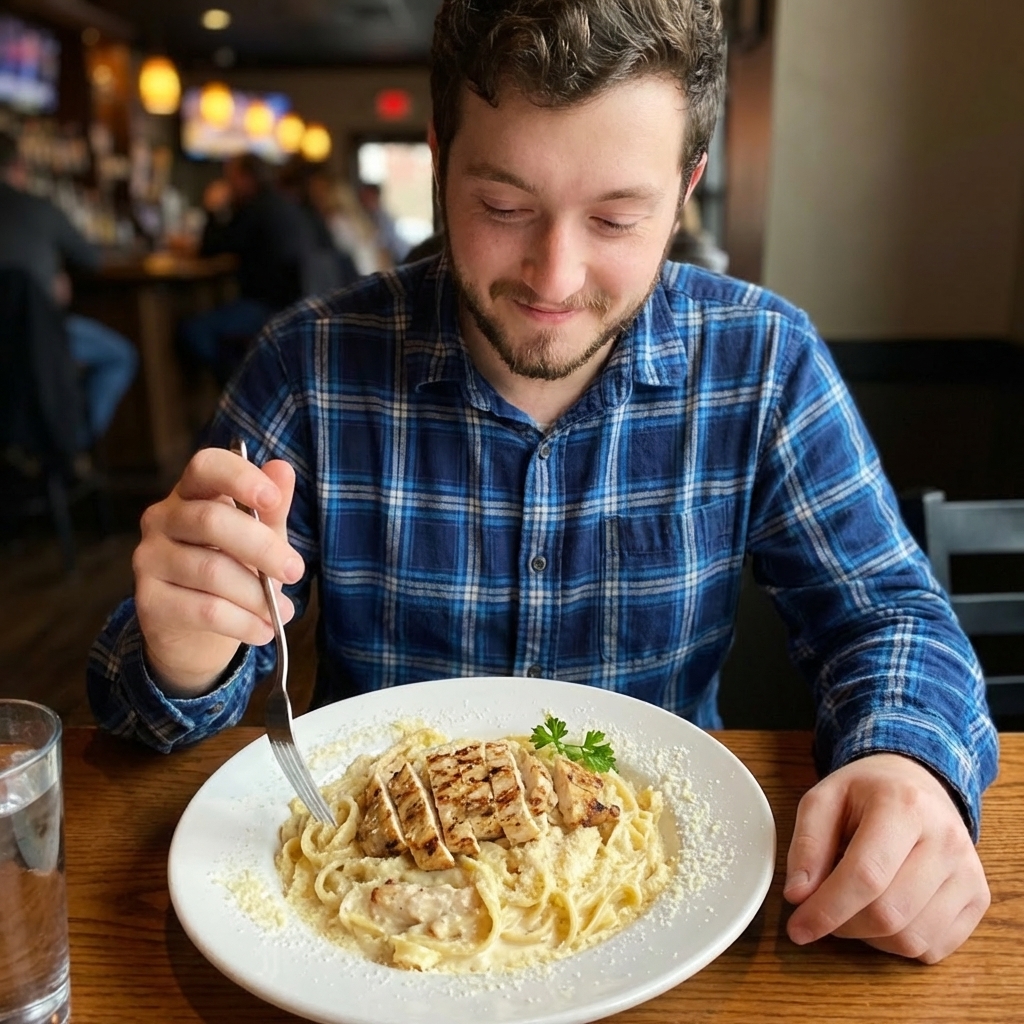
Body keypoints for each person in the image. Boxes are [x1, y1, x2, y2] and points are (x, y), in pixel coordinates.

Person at [88, 0, 997, 966]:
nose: (554, 276)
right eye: (503, 207)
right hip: (368, 924)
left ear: (685, 188)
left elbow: (889, 615)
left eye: (616, 216)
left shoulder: (764, 361)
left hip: (671, 908)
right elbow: (142, 708)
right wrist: (184, 654)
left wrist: (905, 761)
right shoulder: (309, 361)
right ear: (439, 160)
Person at [0, 131, 137, 450]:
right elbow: (92, 259)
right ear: (19, 167)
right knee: (120, 356)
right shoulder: (39, 208)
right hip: (41, 338)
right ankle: (70, 445)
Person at [178, 153, 312, 384]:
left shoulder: (256, 208)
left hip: (267, 307)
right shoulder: (282, 204)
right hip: (292, 305)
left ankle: (239, 389)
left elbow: (210, 248)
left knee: (195, 331)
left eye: (232, 178)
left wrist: (212, 208)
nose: (228, 185)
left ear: (246, 178)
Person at [357, 181, 410, 265]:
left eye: (367, 196)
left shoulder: (383, 218)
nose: (363, 200)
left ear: (375, 197)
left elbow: (384, 246)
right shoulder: (363, 217)